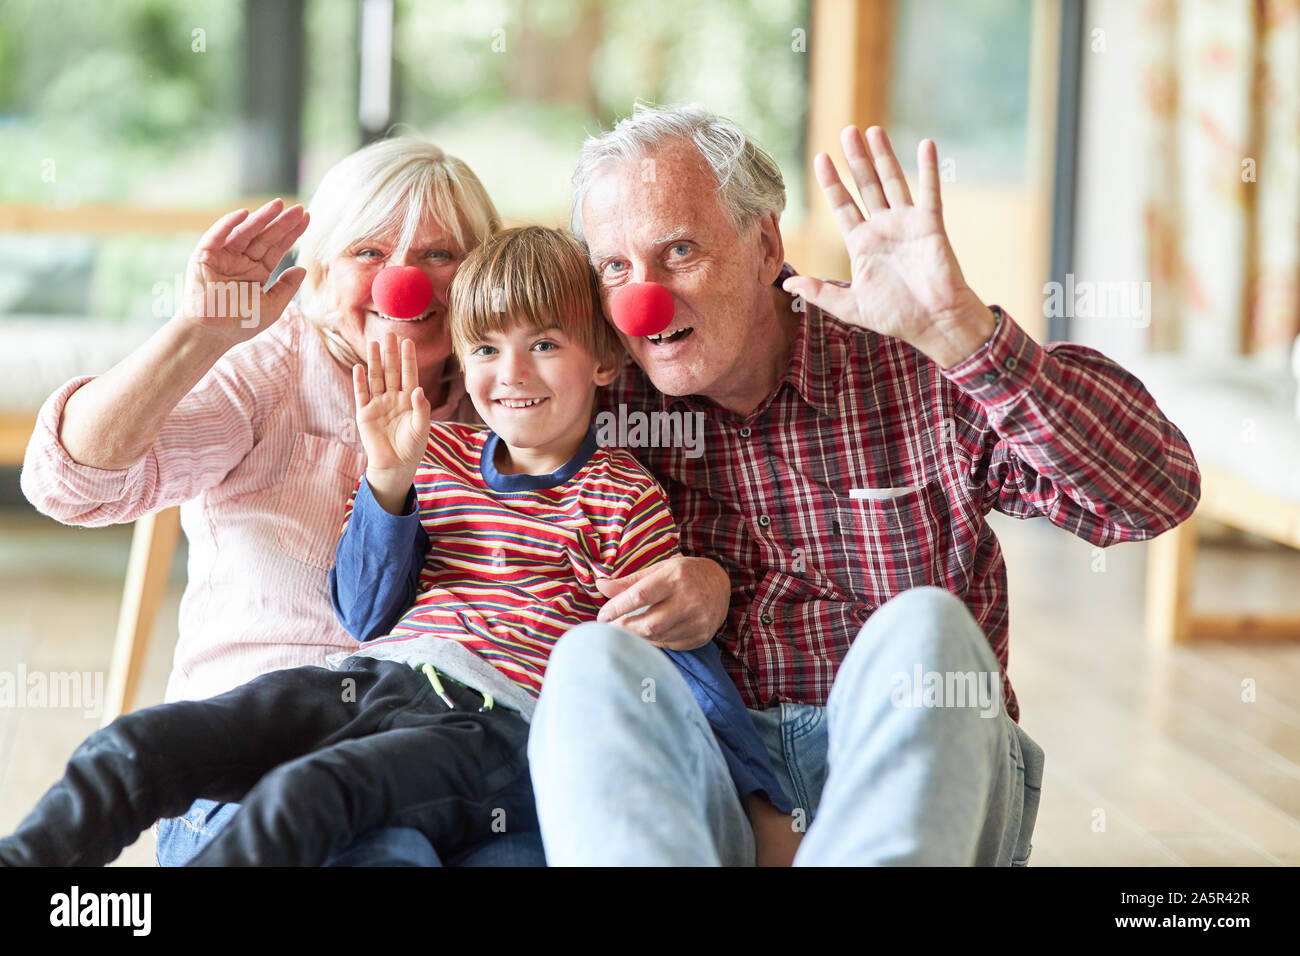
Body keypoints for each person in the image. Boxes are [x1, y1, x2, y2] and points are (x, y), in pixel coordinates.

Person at [525, 103, 1203, 865]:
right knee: (588, 663)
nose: (642, 299)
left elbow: (1156, 494)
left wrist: (964, 334)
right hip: (717, 787)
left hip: (919, 775)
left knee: (926, 630)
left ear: (764, 244)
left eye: (679, 250)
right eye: (615, 268)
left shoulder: (912, 356)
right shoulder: (596, 399)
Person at [0, 226, 792, 867]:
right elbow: (366, 611)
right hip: (369, 680)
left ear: (606, 361)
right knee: (135, 746)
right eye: (484, 349)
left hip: (494, 731)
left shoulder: (621, 493)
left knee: (307, 798)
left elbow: (680, 652)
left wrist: (760, 801)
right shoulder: (440, 454)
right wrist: (388, 481)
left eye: (545, 345)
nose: (511, 373)